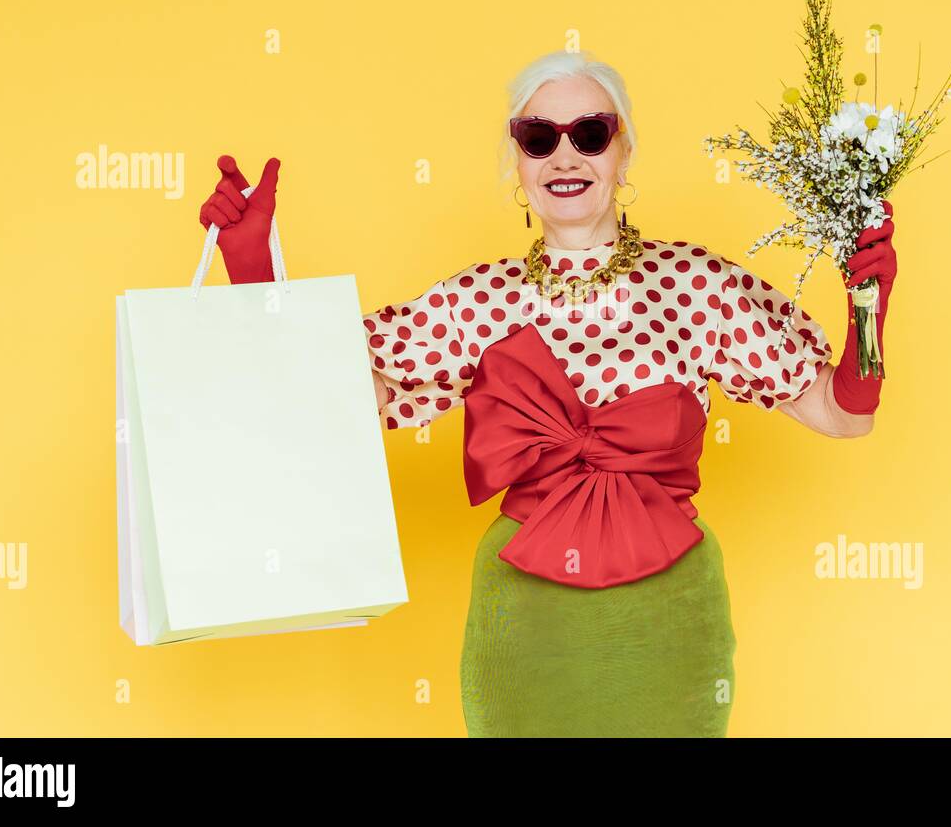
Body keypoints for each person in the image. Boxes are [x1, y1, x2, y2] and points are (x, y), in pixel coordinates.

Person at [197, 51, 898, 737]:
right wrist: (254, 265)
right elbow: (340, 397)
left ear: (623, 153)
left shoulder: (699, 284)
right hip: (523, 629)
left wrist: (869, 307)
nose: (565, 157)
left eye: (589, 134)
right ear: (518, 165)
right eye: (539, 139)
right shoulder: (478, 300)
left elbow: (841, 416)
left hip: (671, 624)